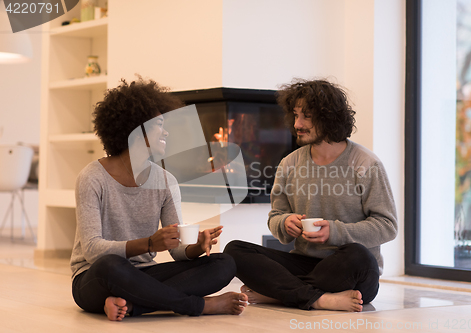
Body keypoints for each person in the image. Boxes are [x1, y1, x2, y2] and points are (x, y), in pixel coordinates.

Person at [70, 78, 247, 321]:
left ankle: (133, 305)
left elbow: (177, 250)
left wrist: (196, 247)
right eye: (159, 124)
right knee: (110, 265)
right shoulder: (92, 177)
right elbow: (92, 251)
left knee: (224, 263)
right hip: (96, 278)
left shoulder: (166, 181)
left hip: (145, 276)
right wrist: (150, 244)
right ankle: (200, 306)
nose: (166, 132)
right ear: (136, 128)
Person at [224, 79, 397, 312]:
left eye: (306, 116)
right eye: (295, 115)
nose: (297, 124)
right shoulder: (289, 163)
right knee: (235, 250)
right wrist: (285, 223)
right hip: (306, 264)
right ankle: (318, 298)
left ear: (329, 117)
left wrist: (334, 232)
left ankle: (279, 294)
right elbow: (275, 216)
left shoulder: (366, 164)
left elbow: (387, 226)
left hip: (350, 268)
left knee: (359, 255)